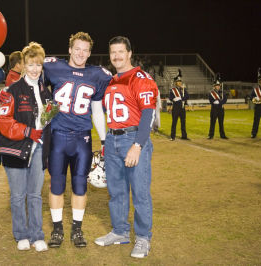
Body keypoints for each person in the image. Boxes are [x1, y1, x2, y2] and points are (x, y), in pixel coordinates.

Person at [43, 32, 111, 248]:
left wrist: (104, 139)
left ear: (90, 53)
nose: (81, 53)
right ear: (70, 49)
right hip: (58, 137)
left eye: (85, 50)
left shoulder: (97, 74)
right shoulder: (54, 67)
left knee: (80, 185)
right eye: (77, 48)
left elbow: (97, 111)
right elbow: (44, 95)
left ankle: (77, 229)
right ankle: (57, 229)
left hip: (82, 138)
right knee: (57, 184)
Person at [94, 36, 158, 259]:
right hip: (112, 139)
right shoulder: (111, 80)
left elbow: (148, 114)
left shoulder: (141, 77)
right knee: (117, 191)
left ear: (130, 53)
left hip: (132, 138)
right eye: (113, 53)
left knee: (140, 192)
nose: (117, 56)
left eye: (121, 52)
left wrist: (138, 145)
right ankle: (120, 231)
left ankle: (142, 238)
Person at [0, 42, 52, 252]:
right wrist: (27, 131)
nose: (35, 69)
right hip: (16, 149)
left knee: (35, 195)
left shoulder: (46, 93)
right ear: (24, 65)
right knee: (18, 195)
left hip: (37, 150)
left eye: (38, 64)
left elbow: (46, 124)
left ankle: (37, 235)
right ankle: (21, 234)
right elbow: (3, 121)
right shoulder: (12, 90)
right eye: (31, 64)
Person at [169, 69, 189, 140]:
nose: (180, 83)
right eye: (178, 81)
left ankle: (184, 136)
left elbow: (187, 96)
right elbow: (171, 98)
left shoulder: (183, 89)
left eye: (180, 81)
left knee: (183, 122)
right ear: (175, 82)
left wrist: (181, 98)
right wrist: (179, 99)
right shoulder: (172, 90)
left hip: (182, 108)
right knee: (174, 122)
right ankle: (172, 136)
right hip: (176, 108)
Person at [207, 73, 228, 139]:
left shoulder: (223, 92)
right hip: (214, 109)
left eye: (219, 85)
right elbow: (210, 100)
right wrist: (214, 102)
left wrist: (219, 102)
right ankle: (211, 135)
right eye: (217, 85)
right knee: (212, 123)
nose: (218, 86)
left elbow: (225, 100)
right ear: (214, 86)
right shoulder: (211, 93)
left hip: (221, 109)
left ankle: (222, 135)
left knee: (221, 123)